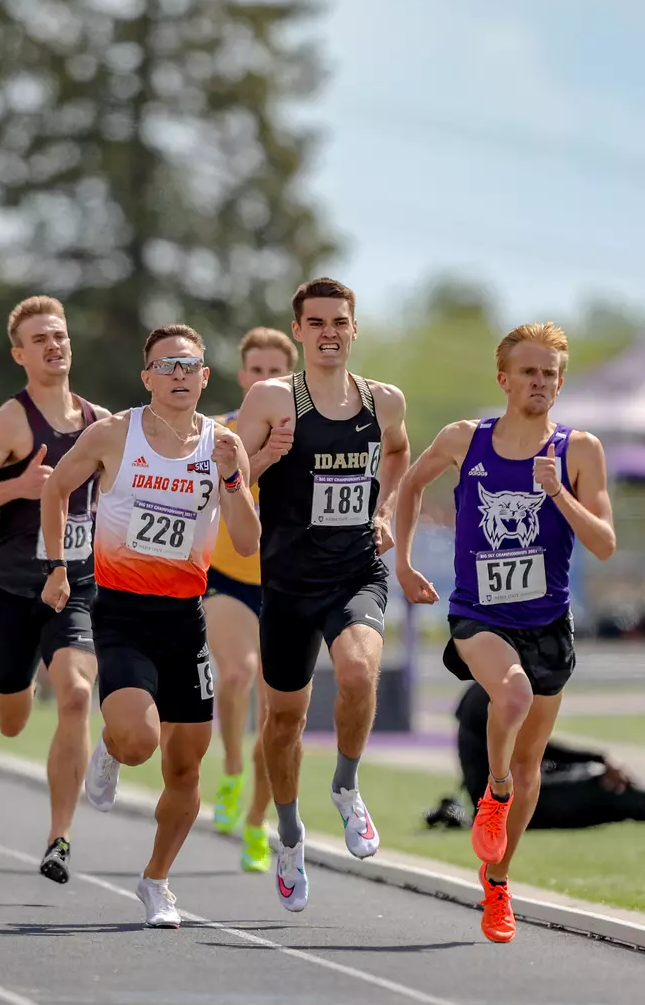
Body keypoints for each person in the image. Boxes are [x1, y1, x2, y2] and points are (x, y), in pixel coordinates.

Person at [393, 320, 616, 944]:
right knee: (510, 697)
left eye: (550, 373)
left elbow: (603, 541)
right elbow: (411, 485)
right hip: (478, 615)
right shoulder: (467, 440)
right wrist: (405, 564)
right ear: (504, 378)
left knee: (531, 761)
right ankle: (491, 793)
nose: (539, 381)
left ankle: (497, 887)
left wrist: (559, 496)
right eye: (528, 371)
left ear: (560, 382)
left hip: (548, 622)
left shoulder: (580, 450)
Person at [41, 324, 259, 928]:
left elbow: (246, 539)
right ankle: (111, 748)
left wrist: (234, 479)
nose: (180, 375)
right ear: (148, 378)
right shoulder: (115, 433)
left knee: (187, 764)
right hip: (121, 611)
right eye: (168, 366)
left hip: (185, 618)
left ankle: (157, 880)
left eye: (190, 365)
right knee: (140, 741)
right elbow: (57, 488)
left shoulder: (226, 445)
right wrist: (58, 566)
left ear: (205, 377)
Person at [233, 277, 412, 913]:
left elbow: (397, 453)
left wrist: (385, 508)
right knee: (283, 720)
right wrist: (263, 460)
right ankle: (288, 834)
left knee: (360, 671)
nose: (330, 331)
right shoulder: (272, 400)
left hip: (354, 571)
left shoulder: (384, 401)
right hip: (286, 582)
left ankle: (345, 787)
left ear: (354, 329)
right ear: (300, 331)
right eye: (318, 322)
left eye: (341, 321)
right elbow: (228, 479)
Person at [0, 296, 108, 885]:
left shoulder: (100, 424)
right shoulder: (10, 423)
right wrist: (17, 489)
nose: (53, 344)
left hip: (77, 585)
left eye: (59, 335)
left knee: (76, 694)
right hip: (13, 586)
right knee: (11, 716)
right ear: (20, 354)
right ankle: (8, 689)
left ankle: (60, 836)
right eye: (39, 338)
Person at [427, 683, 645, 833]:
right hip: (505, 810)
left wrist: (591, 763)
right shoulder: (486, 697)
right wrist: (597, 759)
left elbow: (530, 754)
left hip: (511, 801)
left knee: (615, 792)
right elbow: (533, 752)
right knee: (611, 791)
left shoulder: (485, 691)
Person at [206, 327, 293, 872]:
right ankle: (233, 767)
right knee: (236, 673)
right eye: (255, 371)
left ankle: (259, 821)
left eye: (275, 373)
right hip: (225, 575)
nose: (263, 381)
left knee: (277, 708)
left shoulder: (307, 437)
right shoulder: (217, 433)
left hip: (285, 581)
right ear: (243, 378)